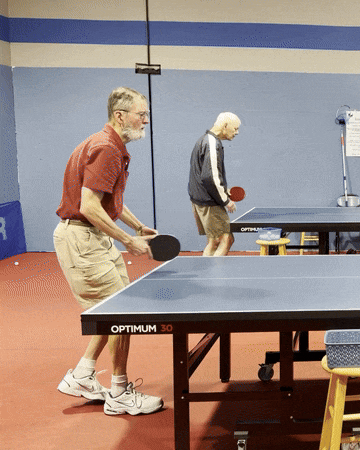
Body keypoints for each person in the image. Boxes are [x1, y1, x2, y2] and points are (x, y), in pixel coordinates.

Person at [54, 87, 163, 415]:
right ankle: (120, 392)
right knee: (121, 317)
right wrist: (128, 241)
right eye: (140, 114)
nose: (145, 120)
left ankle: (83, 375)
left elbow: (107, 200)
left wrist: (137, 227)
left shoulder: (107, 144)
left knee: (113, 311)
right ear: (120, 115)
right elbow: (88, 206)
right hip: (85, 240)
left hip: (94, 239)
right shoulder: (106, 149)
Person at [188, 112, 241, 256]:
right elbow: (210, 176)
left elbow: (203, 174)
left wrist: (223, 189)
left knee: (213, 241)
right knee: (225, 238)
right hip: (209, 203)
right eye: (235, 128)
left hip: (200, 199)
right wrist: (225, 200)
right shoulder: (211, 143)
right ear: (225, 126)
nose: (237, 132)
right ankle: (214, 275)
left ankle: (209, 274)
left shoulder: (204, 140)